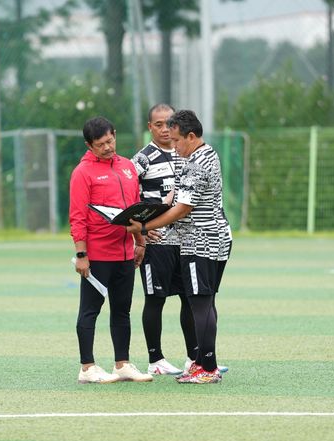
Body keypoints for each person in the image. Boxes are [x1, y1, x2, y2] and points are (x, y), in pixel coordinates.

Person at [127, 110, 232, 384]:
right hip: (214, 237)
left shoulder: (197, 162)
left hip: (201, 241)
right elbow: (177, 196)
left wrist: (144, 227)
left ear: (191, 136)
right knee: (205, 301)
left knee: (199, 303)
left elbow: (183, 209)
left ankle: (206, 368)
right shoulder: (203, 154)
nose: (173, 146)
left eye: (177, 141)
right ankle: (202, 363)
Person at [69, 116, 153, 384]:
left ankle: (122, 364)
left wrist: (140, 242)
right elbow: (77, 217)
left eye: (110, 140)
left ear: (115, 134)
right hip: (97, 255)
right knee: (90, 310)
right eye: (100, 144)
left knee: (122, 310)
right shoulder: (82, 173)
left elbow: (135, 210)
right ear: (89, 145)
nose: (107, 147)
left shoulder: (128, 166)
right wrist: (82, 255)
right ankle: (87, 368)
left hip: (125, 253)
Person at [131, 103, 195, 376]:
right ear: (150, 127)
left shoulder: (185, 153)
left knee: (190, 298)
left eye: (168, 123)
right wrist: (142, 230)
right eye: (158, 124)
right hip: (157, 242)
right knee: (155, 299)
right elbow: (127, 195)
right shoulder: (142, 159)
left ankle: (194, 358)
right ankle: (155, 359)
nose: (164, 129)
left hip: (186, 240)